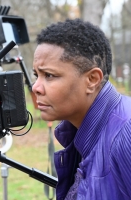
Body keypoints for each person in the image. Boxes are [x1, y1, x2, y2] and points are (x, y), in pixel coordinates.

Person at [32, 18, 131, 200]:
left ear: (92, 79)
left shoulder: (126, 134)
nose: (35, 87)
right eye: (36, 75)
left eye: (49, 75)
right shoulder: (78, 132)